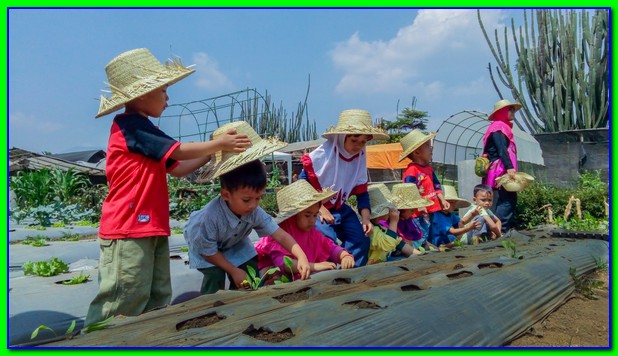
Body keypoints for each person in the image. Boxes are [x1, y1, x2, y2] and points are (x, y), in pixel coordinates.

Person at [85, 48, 251, 326]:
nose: (168, 98)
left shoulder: (147, 134)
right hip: (128, 229)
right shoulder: (131, 127)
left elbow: (180, 168)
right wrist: (218, 144)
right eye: (163, 90)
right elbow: (180, 152)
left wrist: (212, 154)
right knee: (122, 299)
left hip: (151, 227)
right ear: (141, 95)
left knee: (157, 296)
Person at [184, 121, 311, 294]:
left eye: (258, 198)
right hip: (207, 249)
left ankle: (244, 300)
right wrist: (234, 270)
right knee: (215, 275)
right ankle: (211, 308)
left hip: (233, 242)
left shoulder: (254, 211)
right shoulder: (210, 218)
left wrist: (301, 256)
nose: (253, 205)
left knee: (250, 267)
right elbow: (209, 252)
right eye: (246, 200)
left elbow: (280, 235)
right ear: (226, 195)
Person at [299, 109, 389, 267]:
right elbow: (302, 185)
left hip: (340, 208)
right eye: (354, 141)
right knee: (325, 238)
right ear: (342, 137)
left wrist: (366, 219)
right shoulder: (321, 157)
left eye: (363, 142)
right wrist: (320, 208)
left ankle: (352, 273)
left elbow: (362, 194)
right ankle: (329, 277)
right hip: (315, 210)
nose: (358, 146)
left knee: (360, 238)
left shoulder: (359, 159)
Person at [255, 179, 355, 283]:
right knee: (274, 276)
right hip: (277, 273)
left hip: (300, 274)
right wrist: (314, 266)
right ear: (292, 217)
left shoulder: (313, 234)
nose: (312, 220)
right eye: (307, 215)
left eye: (315, 215)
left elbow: (330, 247)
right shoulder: (279, 234)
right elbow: (283, 263)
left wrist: (344, 256)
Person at [398, 129, 450, 242]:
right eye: (427, 146)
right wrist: (418, 204)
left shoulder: (428, 168)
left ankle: (431, 249)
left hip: (431, 207)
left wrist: (442, 198)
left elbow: (436, 185)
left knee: (432, 232)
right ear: (417, 153)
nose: (431, 148)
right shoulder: (412, 170)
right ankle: (423, 250)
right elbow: (409, 189)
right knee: (422, 233)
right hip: (419, 211)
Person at [482, 99, 521, 233]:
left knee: (500, 200)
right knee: (507, 200)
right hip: (499, 171)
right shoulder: (499, 127)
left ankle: (495, 231)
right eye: (510, 109)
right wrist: (510, 167)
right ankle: (500, 230)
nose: (513, 112)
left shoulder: (498, 127)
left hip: (496, 170)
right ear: (502, 112)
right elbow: (501, 150)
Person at [366, 183, 419, 264]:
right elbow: (387, 244)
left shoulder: (382, 228)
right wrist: (394, 222)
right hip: (372, 268)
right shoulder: (371, 230)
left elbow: (399, 243)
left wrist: (421, 255)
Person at [384, 183, 433, 252]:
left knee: (424, 242)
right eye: (412, 210)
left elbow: (416, 236)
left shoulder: (408, 219)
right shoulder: (389, 222)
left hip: (411, 246)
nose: (414, 212)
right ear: (401, 210)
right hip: (398, 250)